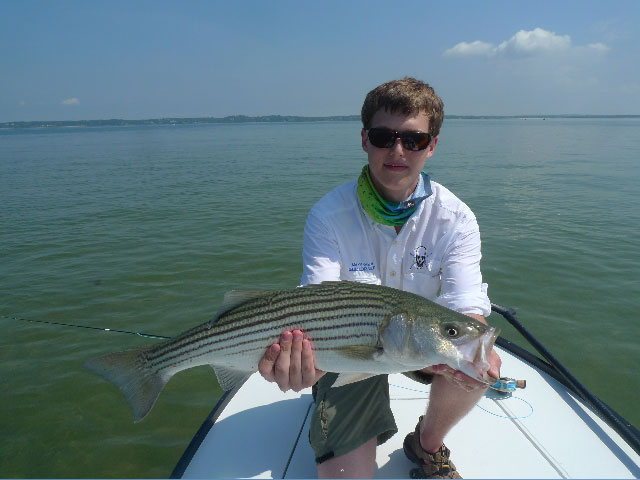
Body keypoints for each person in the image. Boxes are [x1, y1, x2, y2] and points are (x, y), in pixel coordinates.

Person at [258, 77, 501, 479]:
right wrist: (303, 364)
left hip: (420, 342)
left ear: (432, 145)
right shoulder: (328, 214)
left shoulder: (455, 218)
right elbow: (316, 301)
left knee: (480, 360)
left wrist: (466, 342)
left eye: (414, 140)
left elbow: (466, 305)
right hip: (348, 349)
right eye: (383, 136)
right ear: (364, 140)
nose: (397, 150)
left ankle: (426, 444)